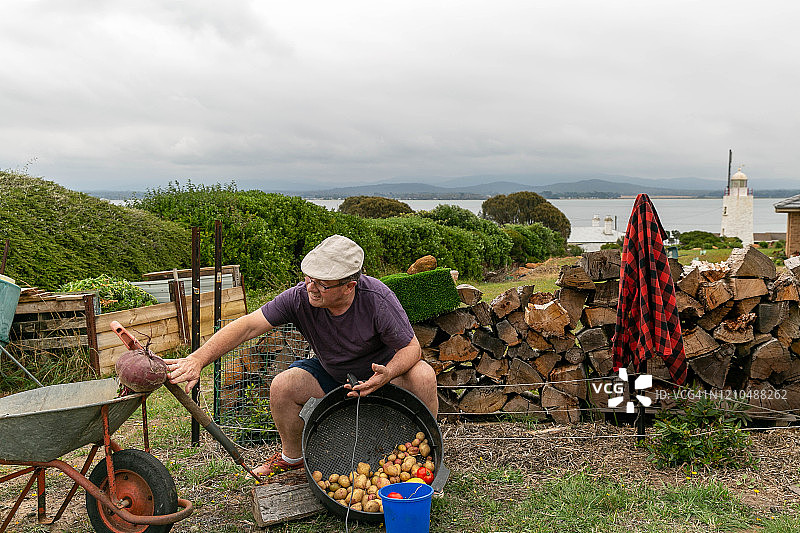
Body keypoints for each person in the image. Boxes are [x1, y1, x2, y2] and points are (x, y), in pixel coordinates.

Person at [165, 234, 438, 476]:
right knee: (283, 386)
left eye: (322, 284)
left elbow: (411, 348)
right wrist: (197, 359)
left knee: (423, 375)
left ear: (349, 286)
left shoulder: (377, 298)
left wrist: (387, 373)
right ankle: (292, 459)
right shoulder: (299, 298)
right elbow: (248, 326)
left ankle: (426, 456)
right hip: (334, 377)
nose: (310, 287)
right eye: (309, 278)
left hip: (383, 377)